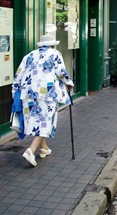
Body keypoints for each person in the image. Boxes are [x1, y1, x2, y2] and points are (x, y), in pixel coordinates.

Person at [12, 34, 74, 167]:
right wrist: (69, 83)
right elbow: (61, 72)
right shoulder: (55, 54)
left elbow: (18, 75)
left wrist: (14, 92)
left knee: (36, 121)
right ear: (53, 44)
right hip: (47, 93)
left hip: (27, 94)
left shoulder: (29, 56)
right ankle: (31, 150)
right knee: (45, 122)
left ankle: (43, 148)